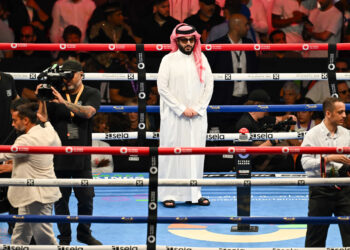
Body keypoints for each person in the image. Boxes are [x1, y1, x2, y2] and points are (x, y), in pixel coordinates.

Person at [44, 60, 102, 245]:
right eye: (64, 76)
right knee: (61, 201)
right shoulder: (55, 92)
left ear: (81, 74)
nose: (66, 80)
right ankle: (65, 237)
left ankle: (84, 233)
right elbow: (43, 119)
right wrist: (43, 95)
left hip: (81, 156)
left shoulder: (91, 92)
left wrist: (63, 102)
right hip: (58, 156)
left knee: (86, 199)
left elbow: (88, 112)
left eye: (70, 75)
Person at [157, 23, 214, 208]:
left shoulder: (202, 59)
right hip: (174, 116)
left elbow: (209, 86)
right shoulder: (168, 60)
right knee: (172, 154)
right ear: (177, 40)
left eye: (191, 40)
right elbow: (162, 88)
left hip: (197, 116)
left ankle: (195, 194)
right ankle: (168, 193)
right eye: (184, 40)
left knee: (195, 155)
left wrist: (197, 108)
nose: (188, 43)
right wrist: (181, 108)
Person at [0, 100, 61, 245]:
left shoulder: (26, 139)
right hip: (33, 194)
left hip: (37, 195)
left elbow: (2, 155)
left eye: (15, 120)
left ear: (26, 120)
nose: (12, 124)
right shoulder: (47, 130)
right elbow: (56, 143)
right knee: (20, 233)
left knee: (44, 236)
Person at [301, 97, 350, 247]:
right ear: (328, 113)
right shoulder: (312, 134)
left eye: (345, 112)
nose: (344, 115)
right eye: (340, 112)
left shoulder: (347, 134)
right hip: (321, 188)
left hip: (345, 188)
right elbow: (305, 163)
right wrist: (328, 159)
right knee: (315, 236)